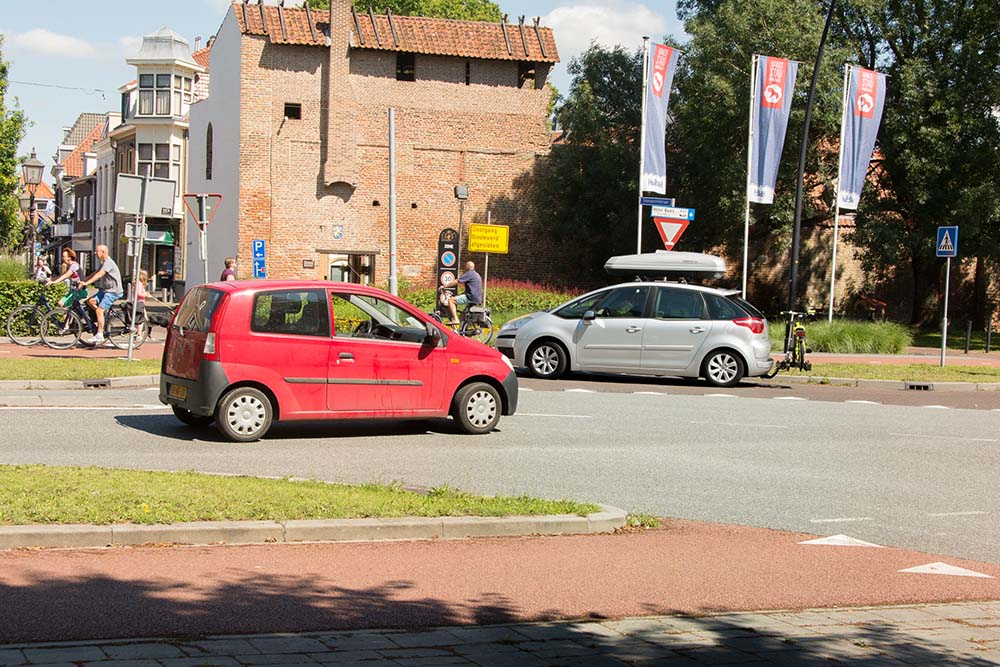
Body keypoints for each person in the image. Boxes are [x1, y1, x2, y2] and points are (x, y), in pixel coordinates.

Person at [78, 244, 123, 345]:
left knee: (99, 310)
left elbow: (99, 275)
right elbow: (95, 272)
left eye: (97, 251)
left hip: (113, 291)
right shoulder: (103, 262)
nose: (95, 253)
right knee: (90, 301)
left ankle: (100, 334)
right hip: (105, 290)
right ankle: (102, 317)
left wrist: (86, 283)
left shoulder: (108, 263)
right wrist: (83, 280)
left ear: (102, 252)